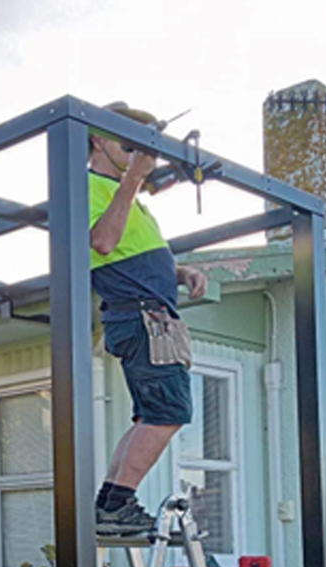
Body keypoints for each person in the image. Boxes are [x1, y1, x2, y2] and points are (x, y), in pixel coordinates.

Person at [90, 102, 207, 534]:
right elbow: (102, 243)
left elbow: (131, 254)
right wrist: (133, 179)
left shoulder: (128, 198)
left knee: (151, 415)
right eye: (127, 142)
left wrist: (180, 271)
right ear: (99, 140)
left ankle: (109, 503)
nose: (137, 153)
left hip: (150, 315)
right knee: (168, 410)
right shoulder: (88, 187)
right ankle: (116, 504)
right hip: (143, 317)